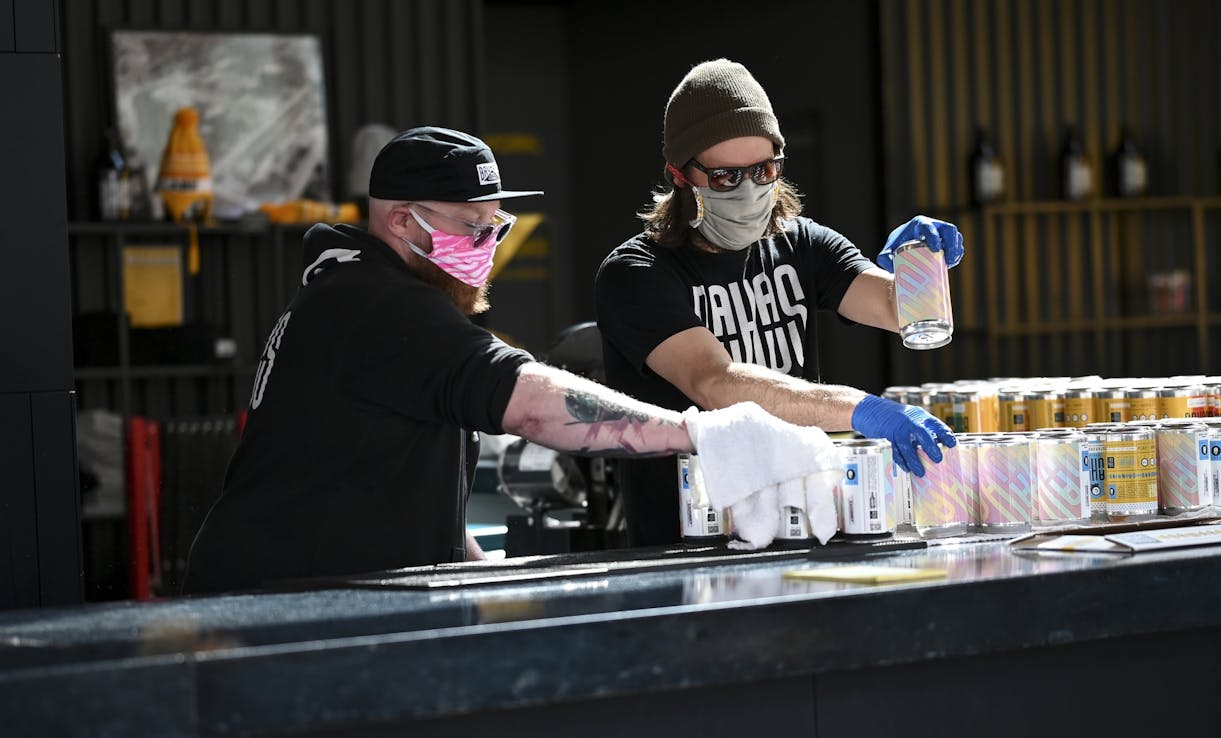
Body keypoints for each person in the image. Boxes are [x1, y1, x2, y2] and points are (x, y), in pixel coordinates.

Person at [183, 127, 824, 593]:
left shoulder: (354, 295)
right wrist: (702, 433)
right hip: (277, 607)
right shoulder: (378, 305)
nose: (488, 248)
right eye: (473, 229)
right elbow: (529, 400)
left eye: (498, 227)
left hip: (312, 594)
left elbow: (395, 477)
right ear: (403, 222)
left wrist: (486, 576)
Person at [595, 59, 964, 547]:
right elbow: (716, 383)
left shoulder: (802, 245)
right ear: (680, 176)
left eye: (763, 169)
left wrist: (920, 267)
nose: (749, 190)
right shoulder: (635, 274)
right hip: (689, 545)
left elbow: (897, 312)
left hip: (799, 530)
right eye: (726, 176)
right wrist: (861, 408)